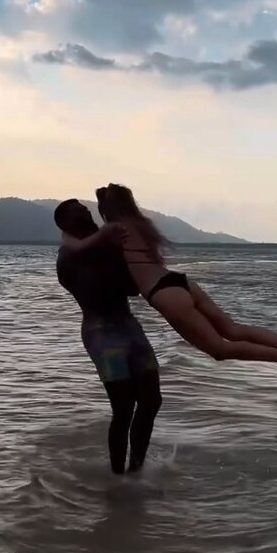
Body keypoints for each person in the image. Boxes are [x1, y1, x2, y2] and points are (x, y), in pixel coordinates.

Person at [60, 185, 277, 380]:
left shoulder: (114, 230)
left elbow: (77, 247)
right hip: (179, 282)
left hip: (164, 294)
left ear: (107, 210)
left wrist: (69, 235)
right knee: (234, 329)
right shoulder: (143, 225)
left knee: (220, 349)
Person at [54, 198, 163, 476]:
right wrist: (107, 249)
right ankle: (118, 477)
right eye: (77, 209)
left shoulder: (104, 246)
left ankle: (136, 470)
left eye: (84, 207)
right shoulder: (67, 256)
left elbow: (131, 289)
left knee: (151, 400)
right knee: (124, 407)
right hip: (101, 333)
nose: (85, 210)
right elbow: (93, 287)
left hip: (127, 325)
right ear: (65, 224)